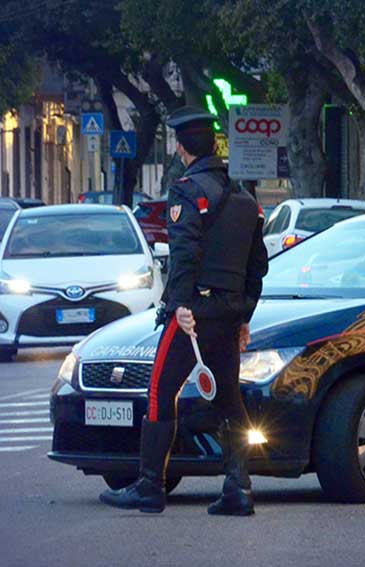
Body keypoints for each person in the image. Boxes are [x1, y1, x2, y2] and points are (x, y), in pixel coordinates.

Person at [100, 106, 269, 515]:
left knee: (160, 392)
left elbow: (184, 253)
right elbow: (257, 266)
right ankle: (238, 489)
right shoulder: (245, 198)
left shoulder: (187, 191)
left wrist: (179, 307)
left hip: (193, 313)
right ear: (214, 145)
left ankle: (149, 487)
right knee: (230, 400)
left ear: (180, 149)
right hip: (229, 313)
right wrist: (244, 315)